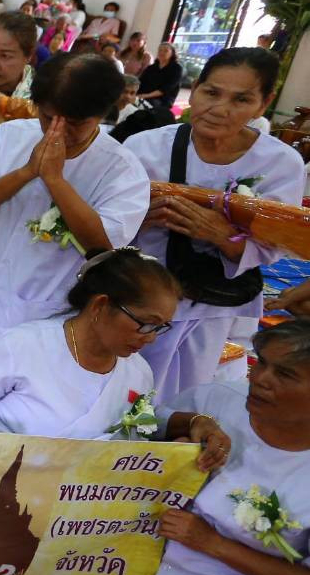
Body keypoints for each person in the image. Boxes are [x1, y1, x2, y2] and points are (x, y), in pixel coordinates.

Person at [131, 319, 310, 575]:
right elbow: (141, 419)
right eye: (261, 363)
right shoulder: (222, 398)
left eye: (284, 374)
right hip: (148, 538)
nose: (260, 379)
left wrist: (214, 545)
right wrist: (188, 427)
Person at [0, 53, 149, 379]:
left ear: (103, 114)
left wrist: (55, 179)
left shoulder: (121, 168)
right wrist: (26, 172)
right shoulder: (10, 135)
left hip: (46, 324)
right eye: (48, 117)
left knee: (13, 425)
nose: (57, 131)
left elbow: (103, 248)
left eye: (75, 123)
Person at [125, 49, 306, 395]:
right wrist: (140, 219)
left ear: (263, 104)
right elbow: (107, 223)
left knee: (185, 390)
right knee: (124, 386)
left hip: (210, 302)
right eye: (211, 92)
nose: (220, 109)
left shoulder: (281, 163)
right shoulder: (145, 147)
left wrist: (222, 235)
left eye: (241, 99)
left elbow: (275, 245)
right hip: (139, 292)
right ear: (194, 91)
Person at [0, 250, 230, 448]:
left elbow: (144, 419)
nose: (151, 338)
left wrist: (195, 421)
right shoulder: (26, 345)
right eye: (145, 323)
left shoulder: (137, 371)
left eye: (160, 327)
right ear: (101, 305)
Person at [136, 41, 184, 116]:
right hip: (144, 95)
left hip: (162, 100)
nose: (162, 52)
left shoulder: (177, 69)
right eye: (160, 50)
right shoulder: (151, 68)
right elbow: (140, 82)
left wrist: (144, 96)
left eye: (166, 50)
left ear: (172, 53)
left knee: (147, 105)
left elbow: (165, 89)